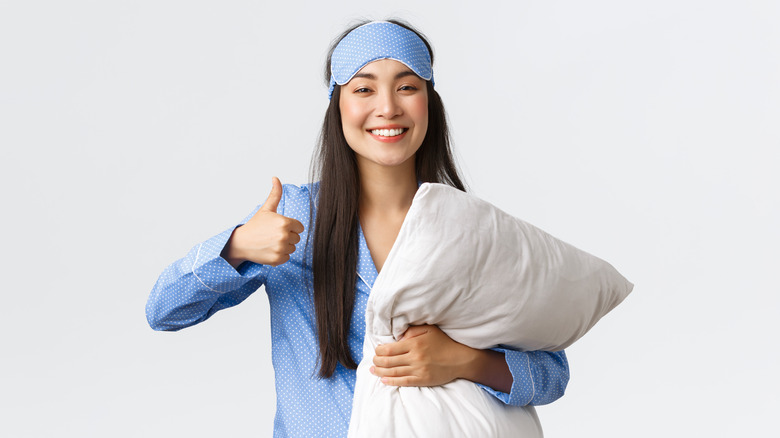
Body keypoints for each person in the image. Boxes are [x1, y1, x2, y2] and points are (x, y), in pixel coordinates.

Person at [146, 19, 569, 437]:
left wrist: (465, 361)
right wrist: (236, 247)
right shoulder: (296, 217)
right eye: (364, 88)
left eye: (407, 87)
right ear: (339, 104)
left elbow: (552, 374)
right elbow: (164, 311)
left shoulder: (470, 228)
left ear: (429, 101)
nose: (387, 107)